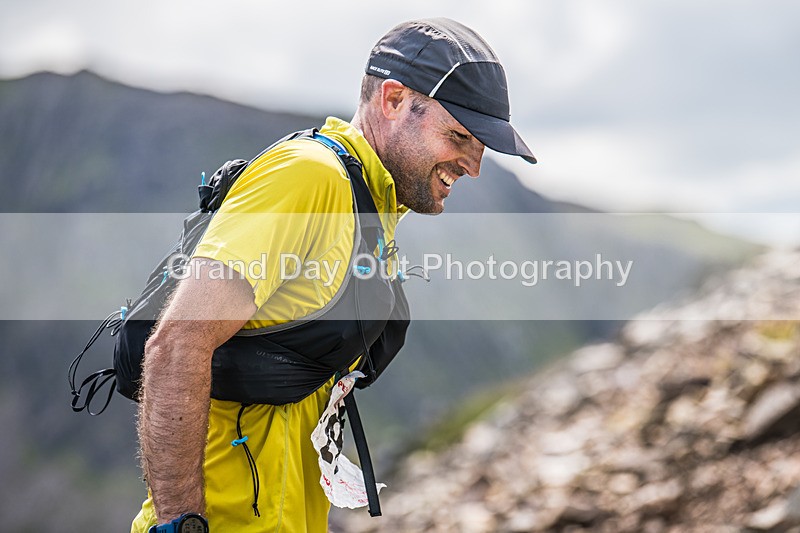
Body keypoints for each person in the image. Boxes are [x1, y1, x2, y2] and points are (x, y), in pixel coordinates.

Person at [132, 17, 536, 533]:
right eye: (459, 135)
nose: (473, 165)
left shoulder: (370, 205)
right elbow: (176, 345)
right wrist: (179, 524)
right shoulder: (310, 178)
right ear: (392, 101)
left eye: (480, 145)